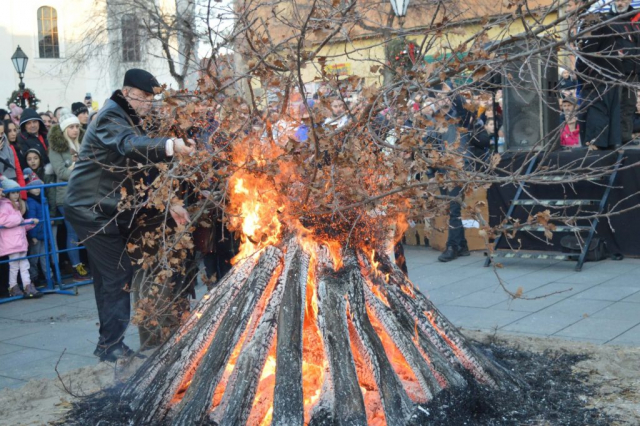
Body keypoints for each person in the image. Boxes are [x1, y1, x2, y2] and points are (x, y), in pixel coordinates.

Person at [64, 68, 194, 362]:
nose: (148, 103)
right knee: (118, 274)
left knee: (108, 278)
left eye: (151, 98)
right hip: (91, 210)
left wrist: (172, 201)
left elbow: (144, 167)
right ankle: (111, 347)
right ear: (126, 93)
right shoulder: (111, 117)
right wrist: (170, 145)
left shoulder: (130, 118)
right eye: (144, 97)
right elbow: (128, 145)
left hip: (105, 209)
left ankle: (108, 344)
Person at [576, 0, 640, 149]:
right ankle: (614, 139)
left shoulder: (636, 20)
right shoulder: (606, 20)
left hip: (633, 71)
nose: (621, 2)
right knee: (614, 106)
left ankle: (625, 137)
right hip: (613, 71)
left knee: (629, 106)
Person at [48, 112, 91, 280]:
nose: (75, 130)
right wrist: (78, 168)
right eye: (71, 127)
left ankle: (89, 264)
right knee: (73, 232)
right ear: (65, 129)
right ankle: (76, 267)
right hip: (65, 195)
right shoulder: (56, 147)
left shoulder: (83, 143)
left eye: (77, 127)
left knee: (87, 231)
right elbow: (60, 172)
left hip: (83, 193)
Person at [0, 178, 42, 298]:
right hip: (11, 242)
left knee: (24, 264)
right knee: (14, 266)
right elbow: (3, 221)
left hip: (20, 241)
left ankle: (27, 286)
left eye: (17, 192)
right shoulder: (3, 205)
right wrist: (20, 221)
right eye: (13, 192)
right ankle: (14, 287)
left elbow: (21, 224)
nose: (16, 194)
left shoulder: (16, 206)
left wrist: (31, 222)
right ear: (7, 193)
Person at [24, 175, 52, 283]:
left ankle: (49, 277)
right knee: (34, 258)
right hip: (36, 234)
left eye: (39, 187)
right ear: (29, 189)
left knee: (45, 256)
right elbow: (30, 220)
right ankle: (34, 277)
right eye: (35, 187)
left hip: (44, 233)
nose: (38, 189)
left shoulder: (42, 200)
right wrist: (33, 236)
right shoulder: (31, 202)